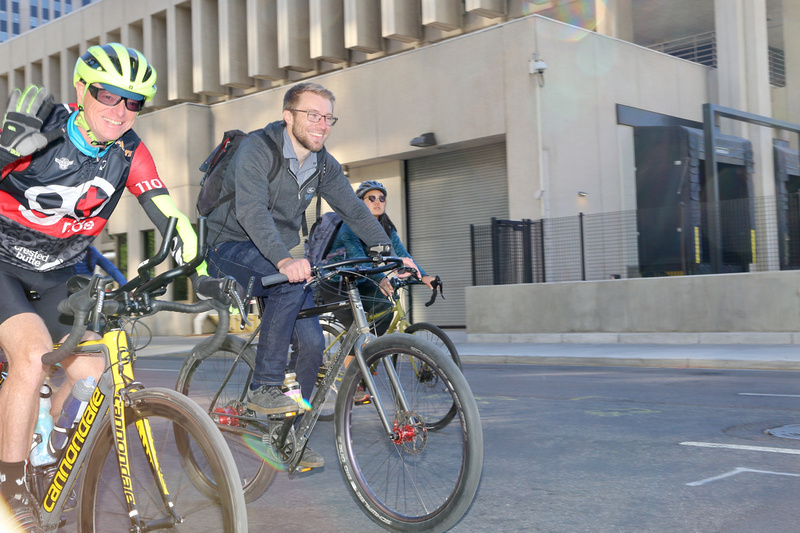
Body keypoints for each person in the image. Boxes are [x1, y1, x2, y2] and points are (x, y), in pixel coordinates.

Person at [0, 43, 231, 533]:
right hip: (2, 264)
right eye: (109, 95)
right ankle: (11, 486)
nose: (120, 111)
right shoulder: (40, 129)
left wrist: (204, 272)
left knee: (91, 367)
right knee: (31, 353)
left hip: (59, 272)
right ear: (82, 89)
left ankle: (44, 453)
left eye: (134, 102)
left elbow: (170, 217)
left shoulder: (129, 151)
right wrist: (2, 152)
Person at [204, 82, 391, 468]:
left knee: (312, 343)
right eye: (313, 115)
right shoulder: (258, 149)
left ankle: (286, 436)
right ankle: (264, 387)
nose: (322, 124)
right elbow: (251, 211)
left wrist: (389, 252)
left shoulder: (322, 163)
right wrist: (284, 261)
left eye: (327, 117)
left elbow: (355, 212)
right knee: (290, 285)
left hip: (278, 253)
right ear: (288, 116)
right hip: (230, 245)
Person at [322, 180, 437, 335]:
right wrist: (382, 278)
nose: (378, 202)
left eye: (381, 198)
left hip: (360, 281)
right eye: (371, 198)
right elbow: (360, 260)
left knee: (386, 310)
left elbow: (402, 255)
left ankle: (372, 354)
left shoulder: (385, 228)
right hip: (335, 283)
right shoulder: (349, 227)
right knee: (356, 332)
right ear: (360, 203)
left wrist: (424, 276)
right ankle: (356, 356)